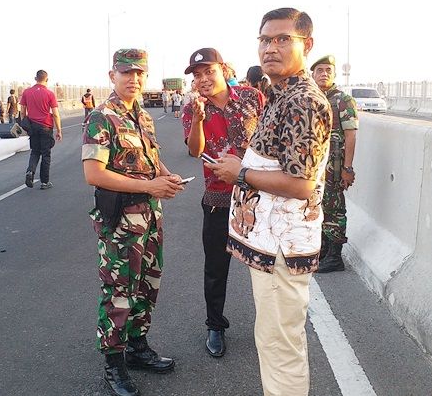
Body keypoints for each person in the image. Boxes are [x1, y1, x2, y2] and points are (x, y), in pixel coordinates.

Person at [205, 7, 331, 396]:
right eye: (264, 40)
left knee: (280, 347)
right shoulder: (279, 95)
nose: (270, 48)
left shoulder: (302, 102)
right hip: (273, 244)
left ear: (305, 45)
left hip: (282, 249)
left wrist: (239, 173)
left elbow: (301, 184)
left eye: (282, 39)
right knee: (273, 341)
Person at [82, 48, 184, 396]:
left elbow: (151, 159)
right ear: (112, 75)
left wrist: (168, 177)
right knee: (119, 291)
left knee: (147, 286)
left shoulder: (142, 115)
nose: (134, 79)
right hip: (121, 220)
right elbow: (93, 174)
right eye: (126, 73)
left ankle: (138, 348)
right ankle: (114, 365)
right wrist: (148, 186)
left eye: (140, 73)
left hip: (150, 216)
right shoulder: (102, 117)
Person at [182, 47, 264, 359]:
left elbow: (268, 137)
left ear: (223, 69)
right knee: (216, 267)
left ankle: (267, 325)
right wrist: (198, 121)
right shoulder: (192, 109)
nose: (203, 79)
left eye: (209, 71)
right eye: (198, 75)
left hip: (257, 194)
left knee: (264, 264)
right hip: (217, 197)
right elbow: (194, 151)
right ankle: (215, 325)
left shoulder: (251, 97)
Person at [311, 55, 359, 272]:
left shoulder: (343, 100)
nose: (324, 74)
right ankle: (323, 251)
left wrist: (347, 169)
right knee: (319, 206)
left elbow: (351, 136)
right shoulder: (312, 98)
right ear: (312, 74)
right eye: (319, 70)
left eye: (328, 70)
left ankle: (335, 256)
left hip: (334, 166)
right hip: (314, 166)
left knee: (334, 208)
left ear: (334, 74)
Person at [20, 70, 62, 190]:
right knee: (46, 154)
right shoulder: (50, 94)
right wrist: (59, 130)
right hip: (45, 127)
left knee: (35, 151)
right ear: (47, 79)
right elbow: (55, 114)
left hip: (32, 127)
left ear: (35, 78)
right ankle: (45, 182)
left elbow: (22, 111)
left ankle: (30, 171)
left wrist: (25, 124)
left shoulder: (27, 92)